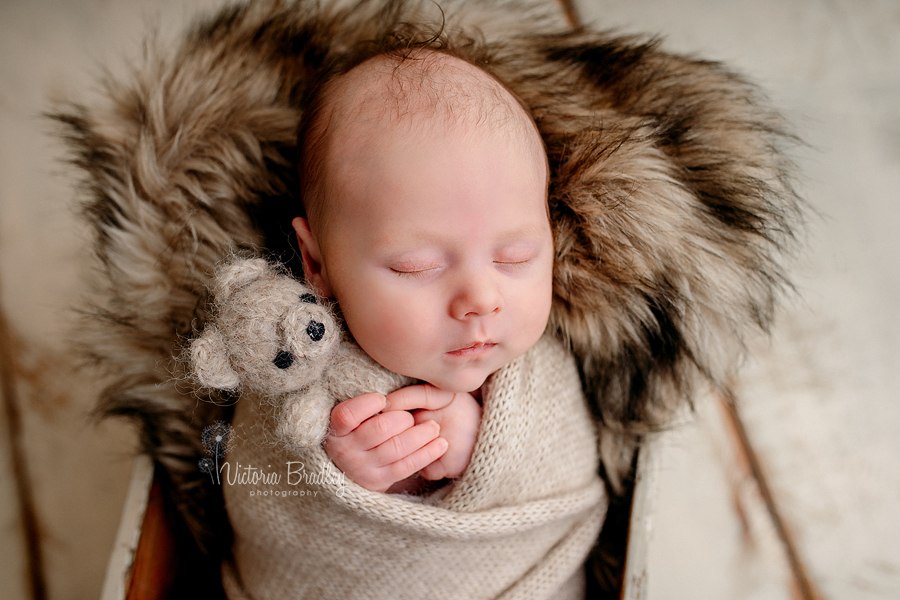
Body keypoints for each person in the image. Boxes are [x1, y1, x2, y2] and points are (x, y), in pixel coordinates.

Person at [291, 47, 561, 495]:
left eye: (515, 257)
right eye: (418, 267)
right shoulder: (288, 360)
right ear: (317, 263)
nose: (480, 299)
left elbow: (573, 471)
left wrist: (492, 446)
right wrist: (340, 478)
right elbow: (257, 487)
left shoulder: (544, 373)